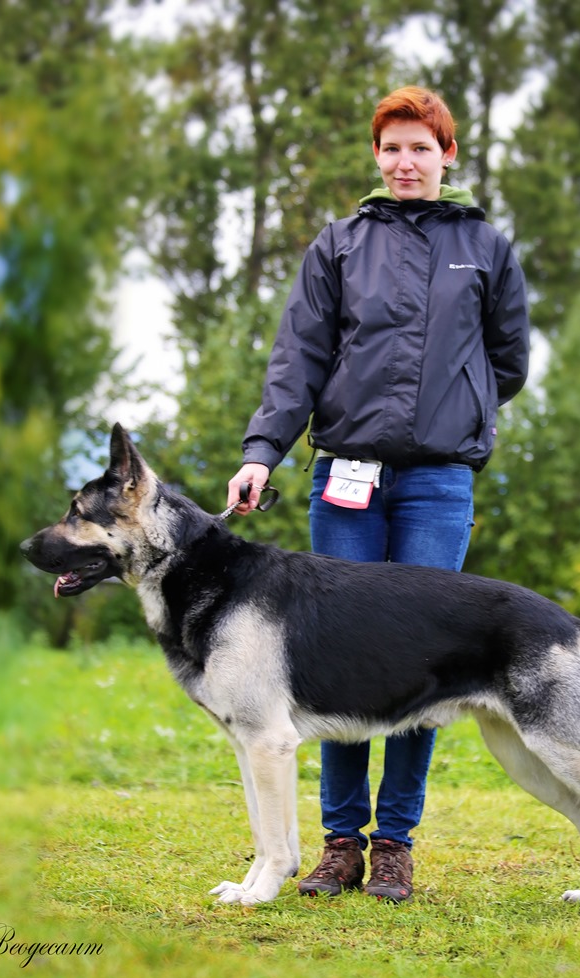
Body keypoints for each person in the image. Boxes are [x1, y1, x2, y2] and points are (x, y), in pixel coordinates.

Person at [227, 86, 530, 902]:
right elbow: (298, 361)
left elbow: (510, 361)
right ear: (377, 156)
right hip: (345, 479)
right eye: (391, 148)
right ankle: (339, 844)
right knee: (334, 659)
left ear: (448, 155)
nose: (405, 162)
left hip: (438, 482)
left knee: (426, 663)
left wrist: (454, 407)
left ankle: (393, 842)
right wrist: (263, 452)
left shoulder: (486, 246)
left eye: (420, 148)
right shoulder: (338, 245)